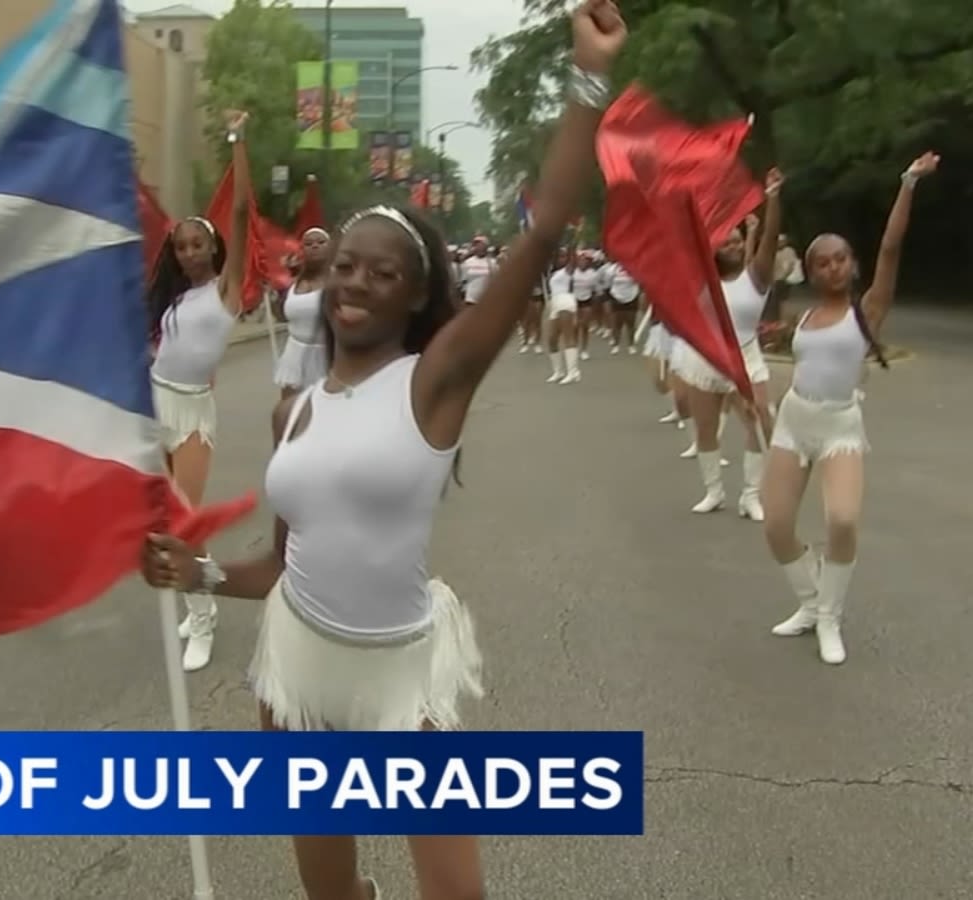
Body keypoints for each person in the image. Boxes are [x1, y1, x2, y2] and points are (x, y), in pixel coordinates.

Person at [138, 4, 627, 897]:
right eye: (342, 268)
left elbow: (546, 224)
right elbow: (284, 566)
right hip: (298, 671)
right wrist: (197, 574)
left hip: (401, 676)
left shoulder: (436, 379)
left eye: (381, 271)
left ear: (415, 295)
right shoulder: (295, 411)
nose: (354, 282)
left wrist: (589, 79)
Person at [761, 151, 940, 666]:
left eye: (841, 258)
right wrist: (772, 198)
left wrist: (907, 182)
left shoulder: (869, 310)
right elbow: (768, 251)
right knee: (775, 525)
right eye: (823, 261)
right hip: (795, 420)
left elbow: (890, 247)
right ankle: (810, 603)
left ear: (851, 264)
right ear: (810, 271)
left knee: (841, 520)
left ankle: (830, 618)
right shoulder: (806, 316)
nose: (834, 266)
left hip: (840, 424)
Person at [144, 111, 253, 673]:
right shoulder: (174, 300)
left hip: (191, 413)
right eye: (181, 246)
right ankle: (194, 601)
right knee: (161, 520)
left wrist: (237, 140)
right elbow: (162, 349)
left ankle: (205, 613)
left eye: (197, 244)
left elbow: (238, 210)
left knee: (186, 520)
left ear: (213, 249)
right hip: (153, 400)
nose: (189, 253)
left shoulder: (227, 292)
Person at [669, 169, 785, 520]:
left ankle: (751, 496)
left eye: (738, 241)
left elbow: (769, 238)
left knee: (761, 420)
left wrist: (773, 197)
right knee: (705, 429)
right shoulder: (702, 280)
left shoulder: (757, 277)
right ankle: (714, 491)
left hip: (746, 356)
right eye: (727, 242)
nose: (734, 246)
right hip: (706, 358)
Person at [271, 227, 332, 399]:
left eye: (321, 242)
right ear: (302, 250)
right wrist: (274, 294)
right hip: (294, 356)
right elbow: (282, 316)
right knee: (292, 414)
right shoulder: (293, 283)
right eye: (308, 244)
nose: (315, 246)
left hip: (325, 357)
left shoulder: (337, 281)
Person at [544, 248, 582, 384]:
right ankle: (558, 371)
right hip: (555, 302)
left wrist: (574, 242)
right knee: (552, 339)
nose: (562, 259)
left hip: (566, 300)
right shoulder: (553, 272)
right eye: (559, 256)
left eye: (564, 256)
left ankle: (572, 372)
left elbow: (574, 260)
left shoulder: (567, 271)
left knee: (568, 336)